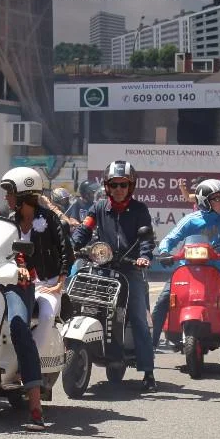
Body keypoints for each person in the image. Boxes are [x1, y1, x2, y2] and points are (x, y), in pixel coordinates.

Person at [71, 160, 157, 391]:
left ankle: (148, 372)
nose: (119, 189)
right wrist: (71, 247)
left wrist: (144, 257)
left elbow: (147, 240)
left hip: (130, 270)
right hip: (103, 268)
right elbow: (84, 230)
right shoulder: (98, 208)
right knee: (80, 302)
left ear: (131, 186)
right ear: (107, 186)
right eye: (114, 184)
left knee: (138, 317)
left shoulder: (140, 210)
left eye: (123, 184)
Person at [0, 167, 73, 429]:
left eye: (10, 192)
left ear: (23, 195)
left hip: (46, 282)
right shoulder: (9, 220)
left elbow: (65, 251)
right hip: (15, 279)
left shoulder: (49, 219)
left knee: (42, 315)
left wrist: (60, 283)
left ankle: (31, 374)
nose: (6, 197)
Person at [151, 178, 220, 371]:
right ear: (204, 202)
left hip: (214, 271)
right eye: (217, 198)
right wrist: (165, 252)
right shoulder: (191, 220)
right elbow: (170, 238)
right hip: (186, 269)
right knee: (162, 302)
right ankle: (149, 347)